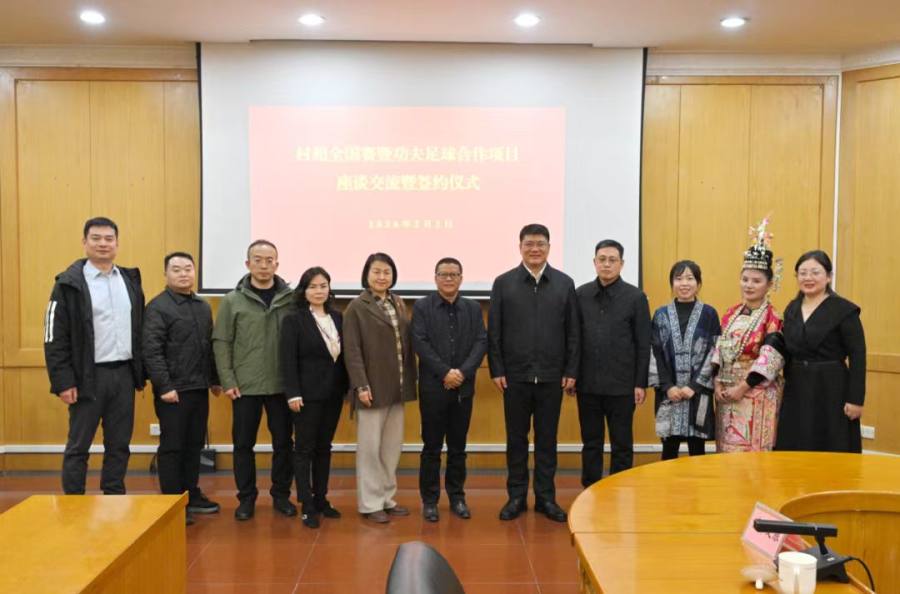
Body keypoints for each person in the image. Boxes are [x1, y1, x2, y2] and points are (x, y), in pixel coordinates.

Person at [44, 216, 146, 495]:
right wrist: (63, 381)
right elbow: (54, 336)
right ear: (84, 242)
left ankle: (113, 497)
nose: (103, 244)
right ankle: (73, 503)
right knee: (79, 446)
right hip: (87, 377)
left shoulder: (129, 280)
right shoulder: (68, 284)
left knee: (119, 444)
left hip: (123, 375)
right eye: (96, 238)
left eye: (109, 239)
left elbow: (140, 328)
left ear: (117, 243)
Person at [488, 224, 579, 523]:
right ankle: (516, 496)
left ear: (549, 248)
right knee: (516, 440)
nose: (535, 249)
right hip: (514, 377)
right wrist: (497, 369)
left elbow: (573, 332)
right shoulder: (504, 283)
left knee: (547, 440)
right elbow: (494, 331)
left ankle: (545, 498)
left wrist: (571, 369)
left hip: (552, 376)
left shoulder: (564, 284)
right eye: (529, 244)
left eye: (540, 244)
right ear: (520, 247)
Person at [213, 240, 296, 521]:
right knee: (243, 444)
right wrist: (227, 379)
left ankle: (281, 495)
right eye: (258, 260)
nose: (264, 265)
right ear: (248, 264)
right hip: (244, 386)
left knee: (284, 444)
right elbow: (222, 342)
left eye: (269, 260)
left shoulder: (290, 299)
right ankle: (246, 498)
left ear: (277, 264)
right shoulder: (232, 301)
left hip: (282, 385)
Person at [143, 252, 222, 525]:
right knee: (173, 447)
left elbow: (208, 347)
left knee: (194, 445)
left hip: (198, 387)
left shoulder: (202, 306)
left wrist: (214, 379)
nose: (183, 274)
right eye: (176, 269)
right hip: (173, 391)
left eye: (188, 268)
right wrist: (164, 385)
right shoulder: (158, 307)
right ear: (166, 274)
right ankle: (173, 502)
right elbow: (151, 351)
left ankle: (191, 493)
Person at [411, 257, 487, 522]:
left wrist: (461, 373)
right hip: (433, 388)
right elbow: (420, 343)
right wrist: (445, 372)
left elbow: (481, 342)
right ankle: (430, 500)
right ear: (435, 278)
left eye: (454, 274)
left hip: (463, 390)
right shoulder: (422, 307)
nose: (448, 279)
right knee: (431, 447)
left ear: (461, 278)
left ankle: (457, 497)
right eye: (443, 274)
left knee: (458, 448)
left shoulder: (473, 308)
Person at [343, 253, 417, 524]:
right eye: (376, 271)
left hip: (397, 388)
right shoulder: (356, 307)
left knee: (391, 448)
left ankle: (387, 498)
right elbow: (352, 351)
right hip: (371, 389)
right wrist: (360, 385)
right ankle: (370, 502)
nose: (382, 277)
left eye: (387, 272)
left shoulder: (397, 302)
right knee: (370, 449)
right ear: (366, 274)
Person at [575, 239, 650, 484]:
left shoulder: (636, 297)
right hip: (588, 384)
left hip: (622, 385)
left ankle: (618, 490)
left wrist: (640, 383)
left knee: (622, 443)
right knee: (591, 442)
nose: (606, 264)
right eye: (602, 259)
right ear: (594, 262)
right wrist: (572, 375)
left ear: (622, 264)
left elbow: (643, 343)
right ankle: (590, 489)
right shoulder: (581, 295)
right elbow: (573, 339)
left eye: (612, 260)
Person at [776, 251, 866, 453]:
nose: (808, 278)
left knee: (831, 441)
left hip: (832, 387)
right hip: (797, 386)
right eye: (803, 273)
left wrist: (856, 399)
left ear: (828, 276)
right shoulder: (792, 308)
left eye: (815, 272)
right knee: (796, 440)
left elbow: (858, 355)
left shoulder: (844, 310)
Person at [280, 267, 349, 529]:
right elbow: (287, 360)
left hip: (333, 394)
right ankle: (307, 504)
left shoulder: (337, 317)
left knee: (324, 447)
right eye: (313, 286)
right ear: (303, 291)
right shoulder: (293, 320)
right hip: (305, 396)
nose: (319, 291)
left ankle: (321, 499)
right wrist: (292, 392)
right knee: (304, 449)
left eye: (323, 286)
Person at [710, 218, 786, 453]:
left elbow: (770, 359)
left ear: (769, 284)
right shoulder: (731, 313)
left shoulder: (772, 317)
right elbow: (718, 349)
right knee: (726, 450)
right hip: (726, 392)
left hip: (756, 393)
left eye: (756, 281)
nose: (749, 285)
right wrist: (716, 382)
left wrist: (743, 387)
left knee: (752, 456)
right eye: (745, 279)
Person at [648, 260, 719, 460]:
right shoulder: (660, 315)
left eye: (690, 278)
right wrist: (668, 386)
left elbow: (715, 351)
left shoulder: (709, 314)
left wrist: (694, 386)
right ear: (672, 283)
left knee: (698, 451)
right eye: (678, 279)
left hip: (698, 393)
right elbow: (655, 353)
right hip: (668, 394)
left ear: (698, 283)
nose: (684, 283)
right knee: (668, 450)